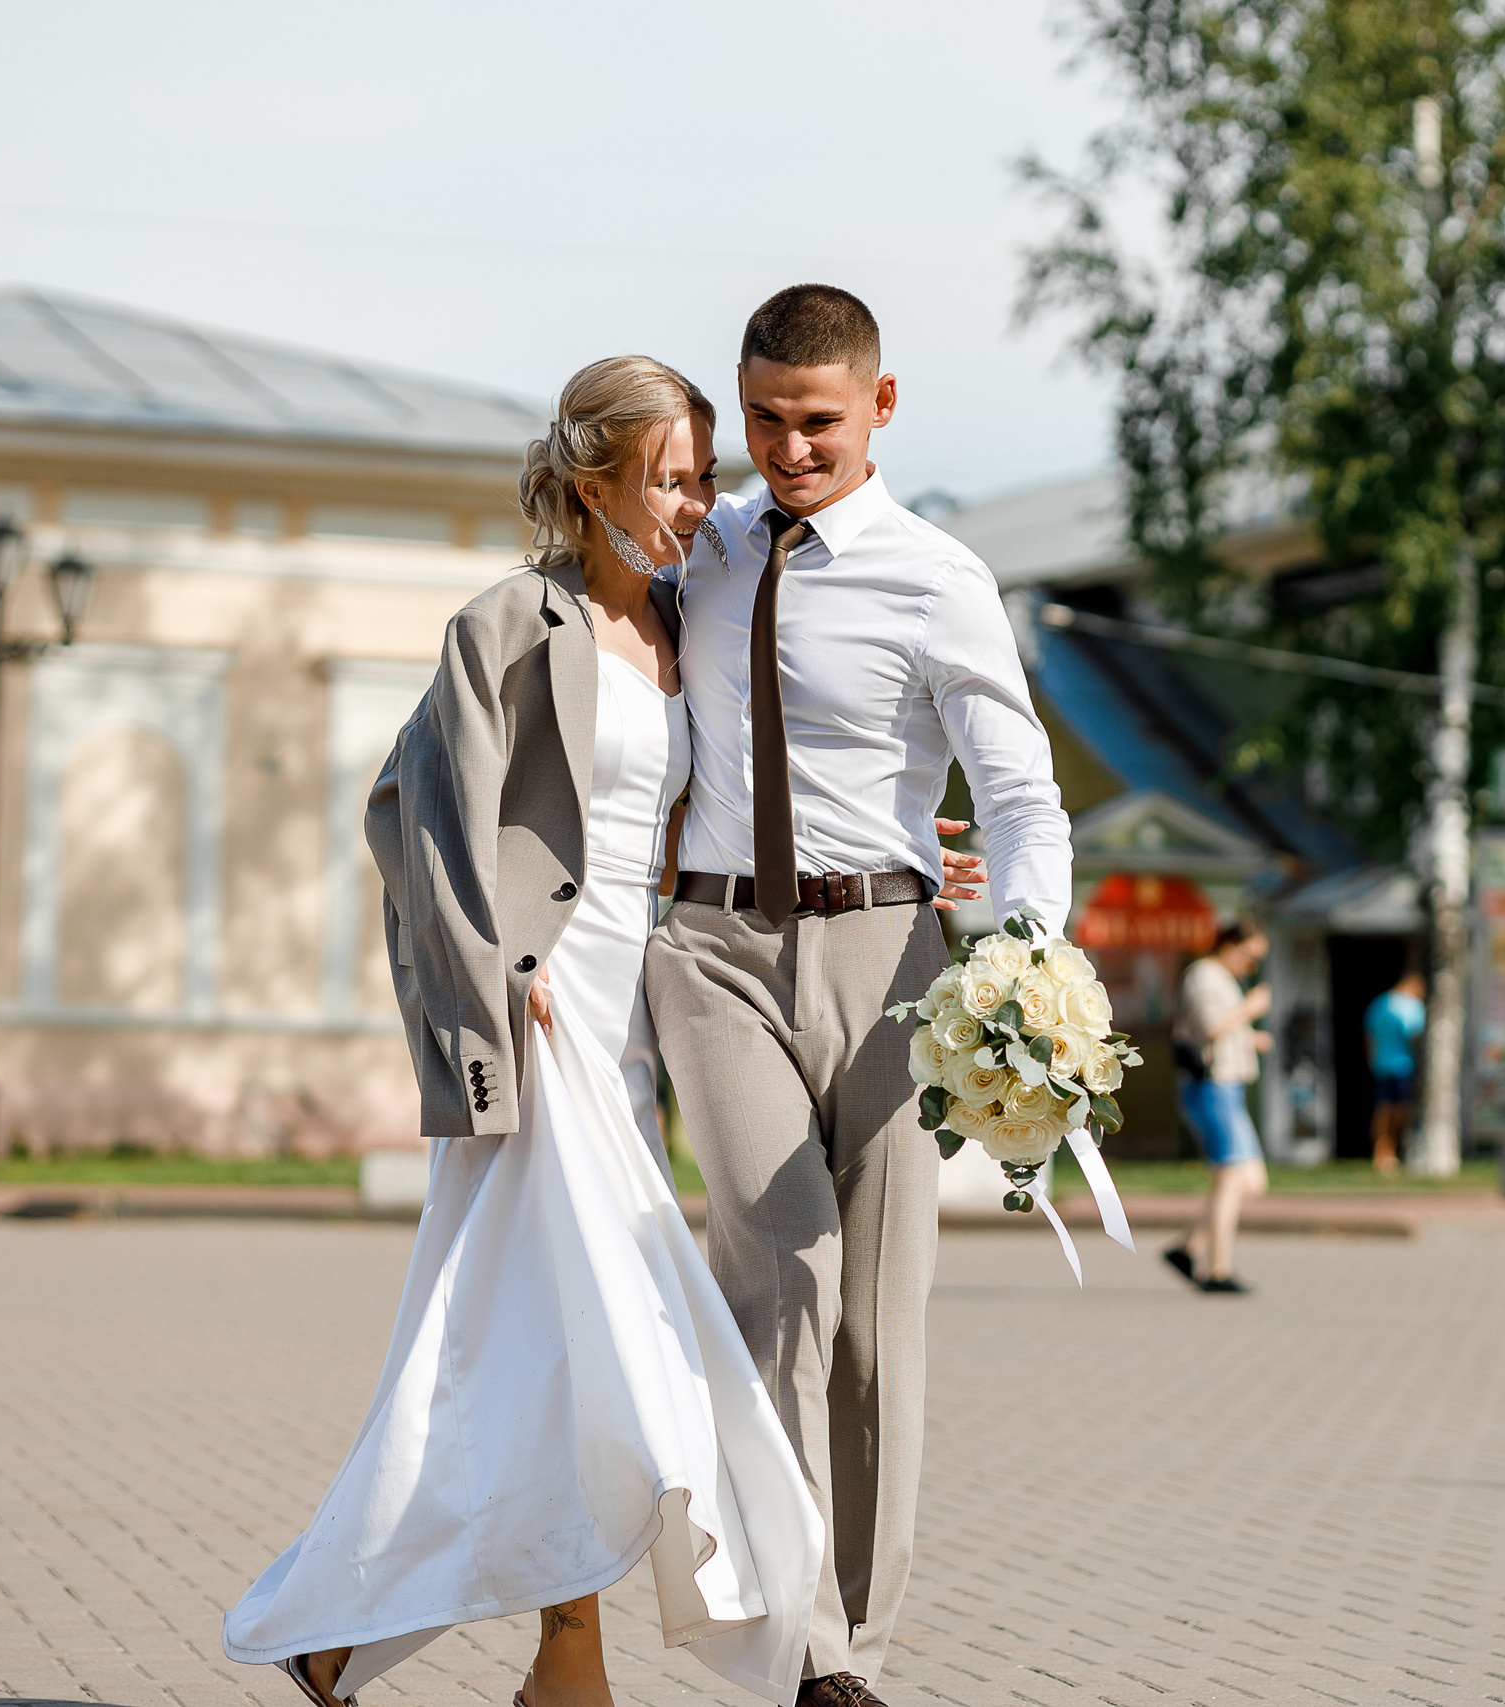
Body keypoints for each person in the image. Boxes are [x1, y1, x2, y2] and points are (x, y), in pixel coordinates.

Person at [220, 357, 983, 1707]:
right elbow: (411, 809)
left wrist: (916, 851)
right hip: (551, 1012)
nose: (702, 501)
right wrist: (483, 977)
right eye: (672, 477)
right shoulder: (511, 623)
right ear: (592, 484)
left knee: (539, 1341)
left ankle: (399, 1632)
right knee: (614, 1340)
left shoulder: (695, 622)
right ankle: (566, 1648)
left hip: (645, 1014)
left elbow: (768, 784)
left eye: (703, 475)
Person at [646, 284, 1072, 1707]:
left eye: (815, 419)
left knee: (880, 1325)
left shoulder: (942, 577)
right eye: (762, 416)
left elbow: (1018, 791)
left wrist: (1022, 950)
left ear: (880, 407)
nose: (785, 446)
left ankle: (858, 1655)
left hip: (892, 965)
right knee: (785, 1276)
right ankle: (803, 1644)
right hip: (712, 950)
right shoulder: (696, 550)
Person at [1164, 920, 1272, 1294]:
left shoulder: (1216, 977)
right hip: (1213, 1087)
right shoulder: (1205, 976)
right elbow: (1211, 1027)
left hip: (1226, 1087)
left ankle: (1187, 1247)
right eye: (1251, 955)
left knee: (1249, 1181)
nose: (1252, 965)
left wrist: (1248, 1037)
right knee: (1230, 1178)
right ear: (1229, 945)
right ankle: (1217, 1269)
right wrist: (1250, 1009)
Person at [1364, 968, 1426, 1175]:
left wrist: (1372, 1059)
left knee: (1382, 1109)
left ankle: (1382, 1152)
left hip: (1381, 1064)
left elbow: (1369, 1036)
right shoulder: (1412, 1006)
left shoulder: (1380, 1003)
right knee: (1400, 1110)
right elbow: (1416, 1035)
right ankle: (1393, 1151)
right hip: (1403, 1065)